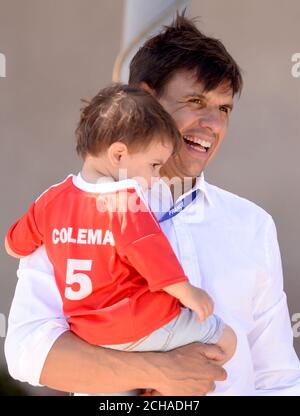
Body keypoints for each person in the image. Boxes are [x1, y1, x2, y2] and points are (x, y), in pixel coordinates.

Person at [5, 14, 300, 396]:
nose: (212, 123)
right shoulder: (71, 208)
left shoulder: (253, 226)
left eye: (223, 109)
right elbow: (27, 351)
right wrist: (160, 372)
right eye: (196, 101)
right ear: (146, 99)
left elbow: (278, 378)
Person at [5, 84, 236, 395]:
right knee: (226, 341)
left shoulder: (51, 200)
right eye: (153, 165)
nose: (155, 177)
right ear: (118, 154)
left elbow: (14, 244)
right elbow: (153, 258)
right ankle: (164, 385)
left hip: (91, 337)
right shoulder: (125, 202)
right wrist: (189, 293)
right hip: (142, 324)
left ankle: (149, 383)